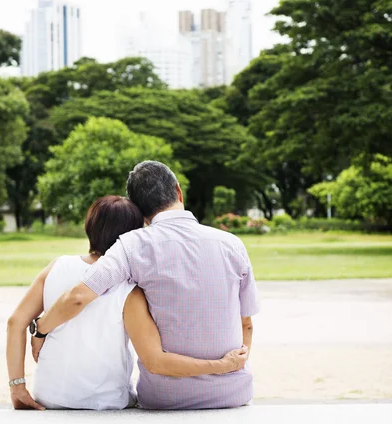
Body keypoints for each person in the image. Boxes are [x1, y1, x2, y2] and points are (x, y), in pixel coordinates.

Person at [32, 162, 259, 409]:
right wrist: (229, 366)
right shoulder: (232, 244)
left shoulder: (132, 245)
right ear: (178, 191)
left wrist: (40, 329)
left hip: (165, 398)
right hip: (233, 394)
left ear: (139, 211)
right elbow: (246, 324)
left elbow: (79, 296)